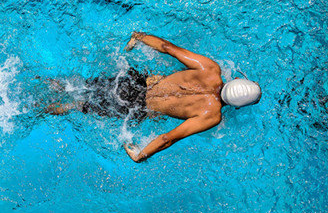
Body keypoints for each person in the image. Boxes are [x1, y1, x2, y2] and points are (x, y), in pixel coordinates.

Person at [47, 32, 262, 162]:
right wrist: (141, 155)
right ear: (238, 106)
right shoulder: (212, 115)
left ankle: (45, 81)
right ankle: (38, 108)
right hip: (135, 106)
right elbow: (168, 138)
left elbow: (168, 48)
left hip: (134, 81)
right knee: (77, 106)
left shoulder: (211, 69)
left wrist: (139, 37)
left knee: (76, 86)